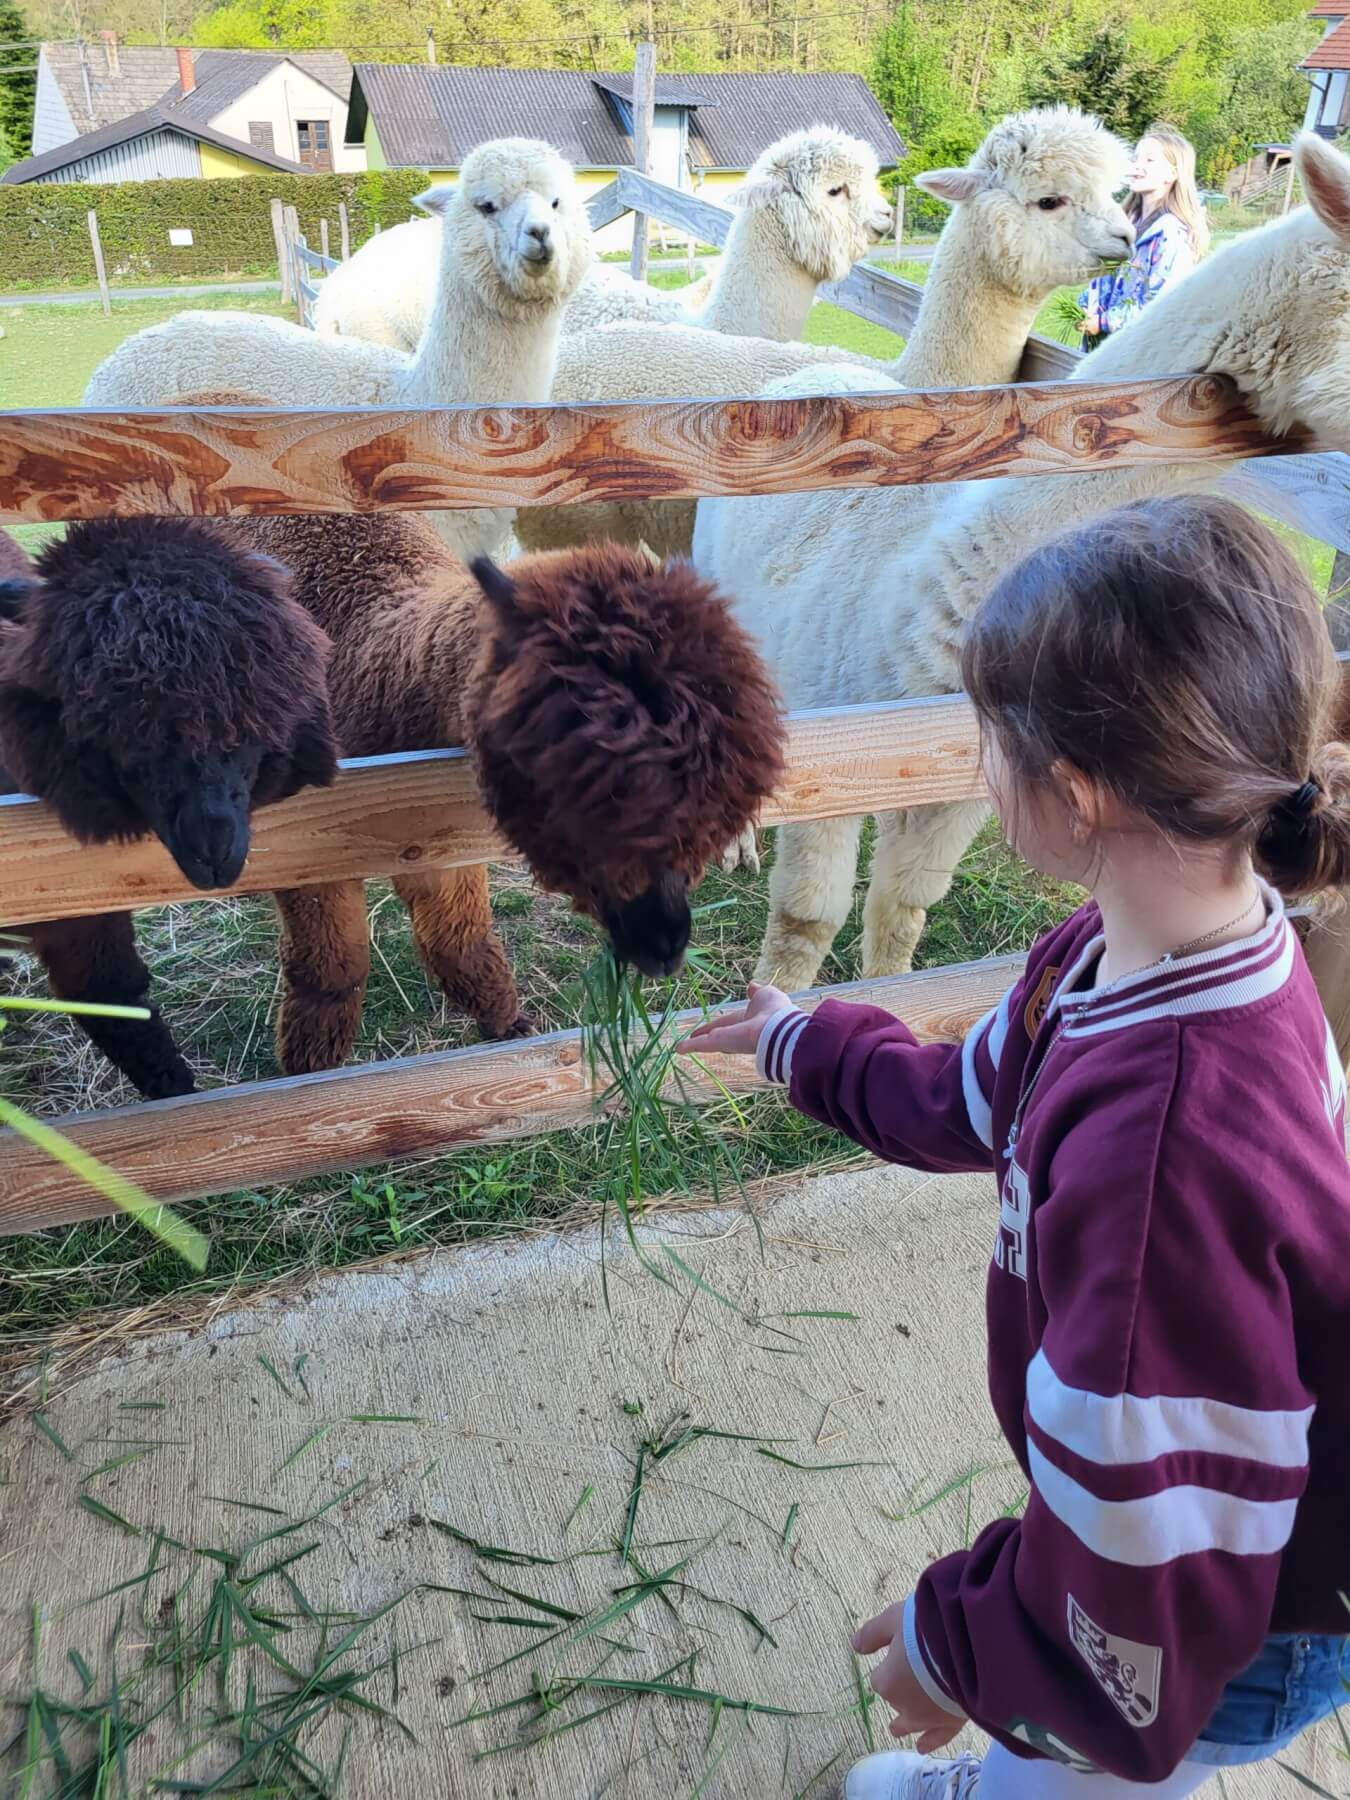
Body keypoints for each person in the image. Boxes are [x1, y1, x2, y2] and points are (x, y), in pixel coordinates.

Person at [679, 496, 1350, 1799]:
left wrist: (958, 1641)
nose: (974, 762)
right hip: (1199, 1534)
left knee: (1081, 1774)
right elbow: (974, 1100)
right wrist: (800, 1044)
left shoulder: (1155, 1162)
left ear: (1079, 795)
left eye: (988, 736)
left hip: (1236, 1612)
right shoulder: (1140, 945)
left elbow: (1146, 1536)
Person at [1080, 125, 1209, 348]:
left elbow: (1162, 305)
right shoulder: (1120, 224)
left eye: (1149, 160)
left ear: (1173, 173)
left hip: (1134, 355)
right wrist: (1085, 305)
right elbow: (1100, 277)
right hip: (1101, 349)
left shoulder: (1171, 236)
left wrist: (1103, 322)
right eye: (1135, 157)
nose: (1137, 165)